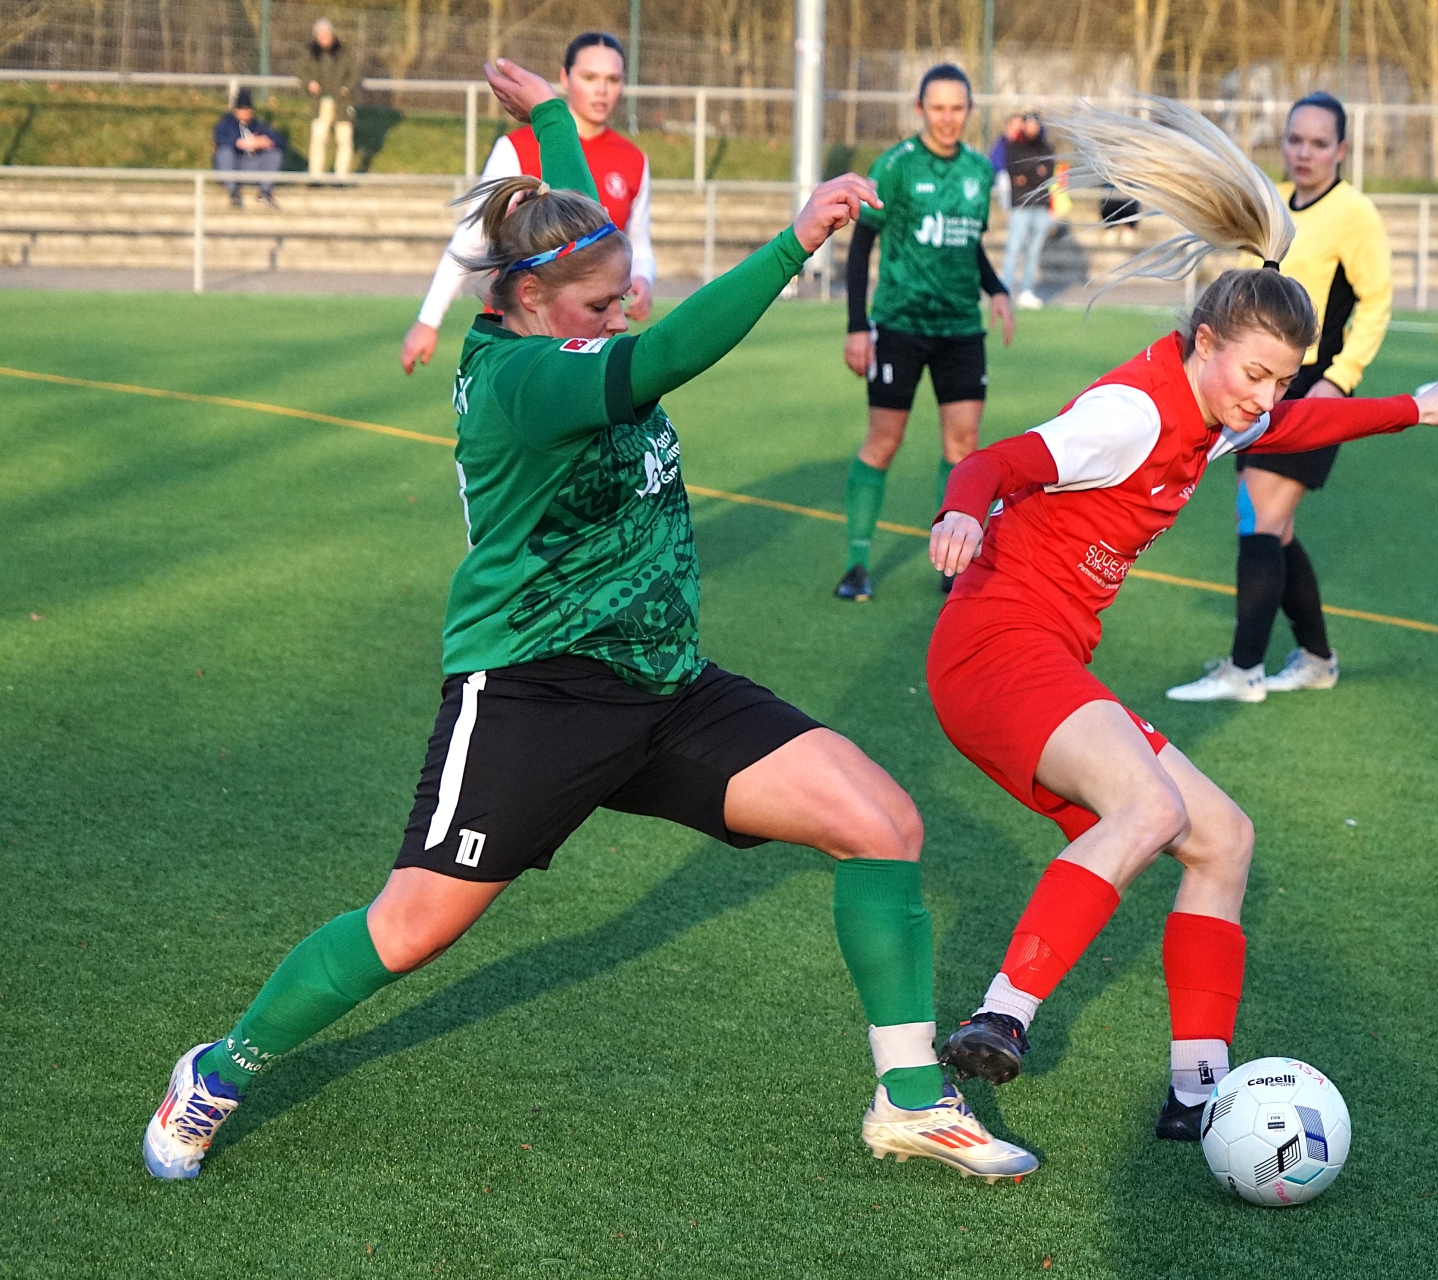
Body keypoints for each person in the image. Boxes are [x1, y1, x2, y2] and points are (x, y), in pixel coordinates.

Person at [142, 56, 1035, 1187]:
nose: (620, 316)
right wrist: (794, 240)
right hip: (534, 688)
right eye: (599, 307)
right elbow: (669, 354)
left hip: (663, 679)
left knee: (881, 820)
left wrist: (556, 119)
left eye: (619, 299)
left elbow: (587, 236)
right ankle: (219, 1068)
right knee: (408, 927)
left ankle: (909, 1099)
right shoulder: (522, 382)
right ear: (525, 302)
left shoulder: (555, 293)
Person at [920, 98, 1438, 1141]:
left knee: (1224, 837)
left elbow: (1302, 420)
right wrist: (960, 511)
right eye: (1254, 373)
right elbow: (996, 462)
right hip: (993, 647)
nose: (1264, 398)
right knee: (1146, 807)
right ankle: (1002, 1013)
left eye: (1279, 379)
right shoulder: (1135, 412)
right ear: (1203, 341)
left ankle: (1198, 1091)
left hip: (1048, 660)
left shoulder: (1216, 410)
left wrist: (1418, 405)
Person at [1165, 91, 1392, 704]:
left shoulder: (1354, 213)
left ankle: (1243, 671)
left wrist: (1340, 378)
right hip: (1260, 389)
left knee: (1259, 517)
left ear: (1342, 149)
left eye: (1319, 143)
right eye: (1295, 139)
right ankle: (1317, 658)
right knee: (1275, 527)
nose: (1304, 152)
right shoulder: (1272, 206)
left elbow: (1376, 302)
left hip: (1315, 390)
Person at [837, 64, 1014, 603]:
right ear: (920, 110)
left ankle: (951, 564)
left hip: (961, 329)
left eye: (957, 108)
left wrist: (996, 288)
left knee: (963, 446)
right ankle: (857, 563)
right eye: (938, 108)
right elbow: (862, 245)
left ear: (969, 111)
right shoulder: (895, 167)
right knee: (884, 442)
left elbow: (967, 243)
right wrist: (857, 326)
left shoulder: (979, 171)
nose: (948, 118)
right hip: (900, 325)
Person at [403, 32, 655, 376]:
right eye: (589, 77)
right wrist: (428, 320)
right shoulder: (517, 148)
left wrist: (641, 277)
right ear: (564, 77)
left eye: (613, 79)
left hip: (589, 347)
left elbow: (638, 242)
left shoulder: (633, 160)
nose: (602, 89)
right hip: (520, 343)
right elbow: (471, 240)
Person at [1003, 113, 1055, 310]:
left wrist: (1028, 175)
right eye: (1028, 124)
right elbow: (1015, 172)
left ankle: (1026, 291)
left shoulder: (1046, 148)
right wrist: (1034, 172)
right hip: (1020, 205)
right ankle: (1004, 291)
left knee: (1033, 252)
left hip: (1041, 206)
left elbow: (1046, 174)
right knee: (1013, 249)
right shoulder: (1013, 147)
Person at [212, 89, 284, 209]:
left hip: (254, 164)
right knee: (224, 153)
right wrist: (239, 143)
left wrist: (264, 142)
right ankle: (233, 192)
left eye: (248, 109)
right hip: (235, 164)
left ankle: (264, 192)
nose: (245, 113)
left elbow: (280, 141)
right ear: (235, 110)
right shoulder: (226, 124)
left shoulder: (257, 124)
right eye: (242, 109)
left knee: (275, 154)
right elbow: (219, 138)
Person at [304, 18, 358, 178]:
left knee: (344, 139)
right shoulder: (310, 53)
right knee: (318, 138)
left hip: (342, 101)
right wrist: (309, 82)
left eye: (327, 34)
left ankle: (342, 176)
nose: (324, 38)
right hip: (320, 101)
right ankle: (316, 175)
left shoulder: (345, 52)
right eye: (321, 35)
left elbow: (354, 73)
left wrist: (346, 86)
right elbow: (300, 70)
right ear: (316, 36)